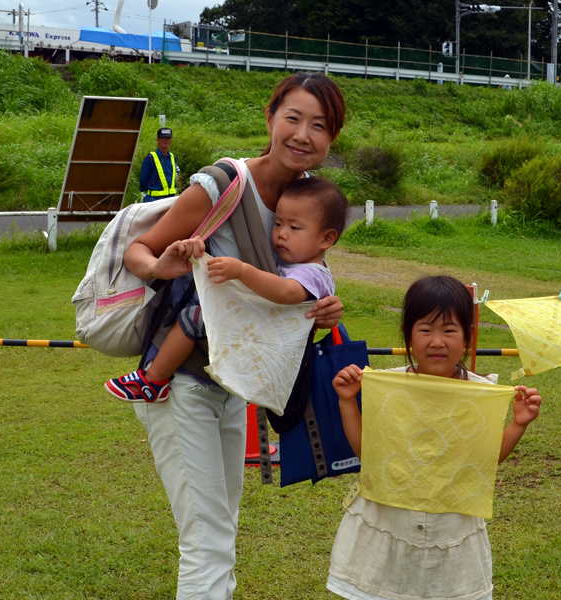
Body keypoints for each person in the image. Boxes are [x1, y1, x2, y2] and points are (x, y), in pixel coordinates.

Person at [121, 72, 346, 600]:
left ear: (331, 139)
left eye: (320, 125)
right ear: (270, 118)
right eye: (293, 117)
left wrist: (321, 312)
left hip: (229, 386)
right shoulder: (222, 183)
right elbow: (139, 252)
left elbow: (281, 298)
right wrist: (169, 265)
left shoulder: (304, 202)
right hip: (179, 383)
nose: (303, 134)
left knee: (222, 526)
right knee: (207, 538)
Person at [327, 275, 544, 600]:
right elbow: (367, 453)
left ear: (468, 337)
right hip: (391, 521)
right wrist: (347, 401)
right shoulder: (388, 387)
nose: (437, 341)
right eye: (426, 330)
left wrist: (518, 424)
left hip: (451, 528)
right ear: (409, 336)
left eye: (449, 330)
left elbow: (485, 458)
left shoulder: (479, 393)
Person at [105, 176, 350, 402]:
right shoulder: (296, 264)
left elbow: (287, 293)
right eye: (277, 223)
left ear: (327, 239)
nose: (281, 234)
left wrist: (243, 271)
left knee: (193, 318)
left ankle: (153, 379)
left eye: (294, 228)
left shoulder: (313, 272)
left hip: (261, 338)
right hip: (258, 337)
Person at [139, 127, 181, 202]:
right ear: (158, 140)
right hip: (153, 199)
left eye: (168, 138)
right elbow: (143, 180)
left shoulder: (173, 158)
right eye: (163, 138)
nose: (166, 140)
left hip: (170, 199)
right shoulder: (150, 158)